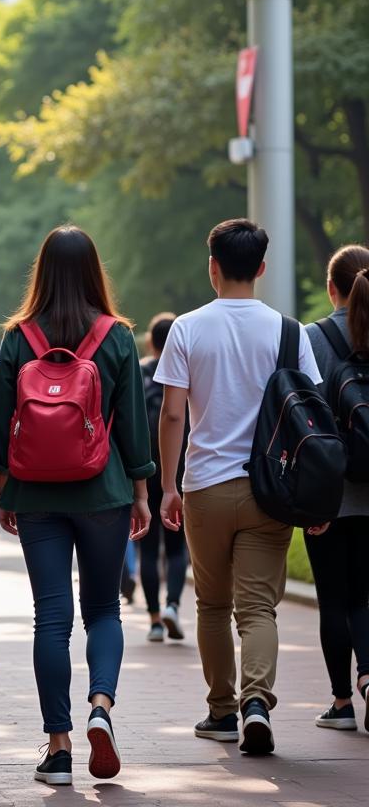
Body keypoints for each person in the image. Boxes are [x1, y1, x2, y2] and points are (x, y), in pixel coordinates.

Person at [0, 225, 154, 787]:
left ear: (41, 271)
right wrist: (141, 490)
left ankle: (58, 749)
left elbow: (3, 422)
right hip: (102, 492)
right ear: (93, 271)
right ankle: (101, 708)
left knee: (51, 619)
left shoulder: (18, 337)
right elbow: (133, 423)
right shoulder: (116, 337)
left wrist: (5, 486)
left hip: (36, 494)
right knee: (104, 610)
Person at [156, 218, 321, 756]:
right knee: (257, 609)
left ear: (213, 267)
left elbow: (173, 415)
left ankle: (222, 711)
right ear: (263, 269)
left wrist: (167, 486)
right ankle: (257, 703)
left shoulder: (187, 328)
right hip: (269, 490)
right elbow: (312, 419)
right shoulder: (290, 332)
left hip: (204, 485)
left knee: (210, 605)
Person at [303, 245, 369, 732]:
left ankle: (342, 703)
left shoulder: (312, 338)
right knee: (363, 596)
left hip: (327, 492)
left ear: (332, 288)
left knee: (333, 597)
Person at [138, 313, 188, 643]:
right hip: (179, 467)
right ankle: (172, 604)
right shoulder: (185, 371)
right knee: (175, 545)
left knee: (146, 546)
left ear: (151, 342)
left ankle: (155, 620)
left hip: (144, 470)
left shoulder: (139, 371)